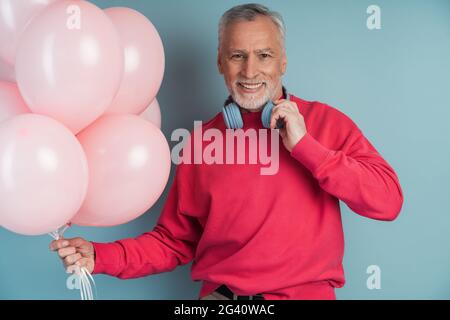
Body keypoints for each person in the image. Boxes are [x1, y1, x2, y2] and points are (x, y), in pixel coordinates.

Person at [50, 3, 403, 300]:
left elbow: (388, 201)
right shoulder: (203, 143)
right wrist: (100, 255)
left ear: (282, 62)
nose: (250, 71)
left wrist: (306, 148)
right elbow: (173, 242)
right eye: (237, 56)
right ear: (221, 63)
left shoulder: (327, 124)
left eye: (264, 55)